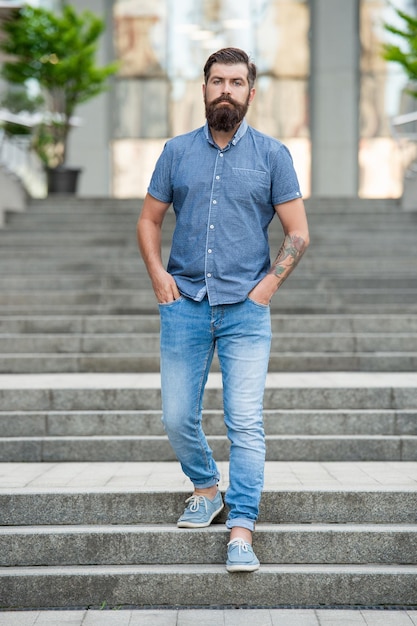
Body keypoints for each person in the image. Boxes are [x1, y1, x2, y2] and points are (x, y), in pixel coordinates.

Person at [137, 47, 309, 572]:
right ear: (204, 88)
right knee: (176, 416)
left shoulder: (274, 156)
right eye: (218, 81)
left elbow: (297, 233)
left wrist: (266, 290)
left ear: (251, 92)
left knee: (245, 423)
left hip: (246, 312)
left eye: (237, 82)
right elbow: (148, 221)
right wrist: (158, 276)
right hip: (185, 302)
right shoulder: (175, 152)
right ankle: (207, 486)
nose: (226, 90)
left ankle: (241, 529)